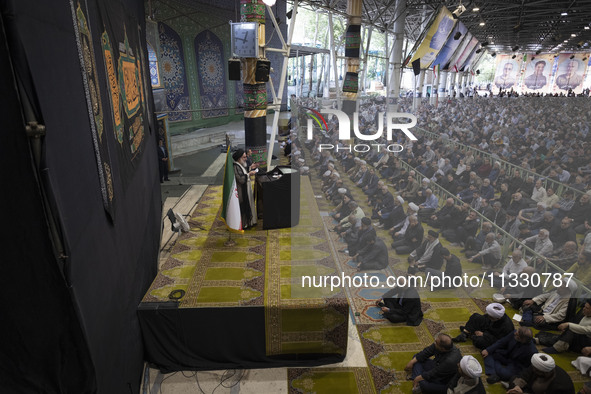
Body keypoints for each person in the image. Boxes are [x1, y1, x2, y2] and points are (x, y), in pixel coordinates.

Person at [506, 353, 574, 394]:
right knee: (514, 379)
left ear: (544, 372)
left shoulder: (560, 386)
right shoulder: (537, 367)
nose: (533, 370)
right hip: (531, 389)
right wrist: (517, 387)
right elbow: (525, 375)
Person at [232, 149, 257, 229]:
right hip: (241, 192)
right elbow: (241, 179)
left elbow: (244, 172)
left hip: (246, 189)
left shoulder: (240, 165)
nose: (246, 159)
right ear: (239, 158)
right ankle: (244, 224)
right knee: (243, 208)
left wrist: (250, 168)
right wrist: (249, 174)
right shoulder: (236, 166)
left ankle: (249, 222)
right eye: (244, 157)